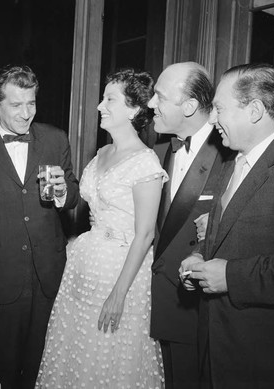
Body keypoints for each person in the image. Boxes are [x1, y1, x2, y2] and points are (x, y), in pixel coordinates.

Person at [36, 68, 166, 388]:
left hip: (122, 272)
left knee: (111, 356)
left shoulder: (146, 162)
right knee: (78, 351)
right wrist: (59, 191)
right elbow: (84, 199)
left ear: (134, 109)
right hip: (85, 264)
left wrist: (118, 294)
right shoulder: (103, 152)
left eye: (110, 99)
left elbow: (146, 233)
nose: (99, 106)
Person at [0, 65, 80, 389]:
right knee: (4, 365)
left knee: (44, 363)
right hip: (1, 274)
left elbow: (73, 192)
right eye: (16, 105)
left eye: (32, 104)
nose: (26, 114)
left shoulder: (55, 138)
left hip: (49, 274)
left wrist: (64, 193)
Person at [180, 63, 274, 389]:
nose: (211, 119)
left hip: (263, 359)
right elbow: (227, 231)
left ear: (254, 110)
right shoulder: (231, 161)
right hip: (215, 348)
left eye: (219, 108)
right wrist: (200, 257)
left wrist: (231, 277)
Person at [147, 62, 233, 389]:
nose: (151, 104)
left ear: (189, 106)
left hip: (202, 311)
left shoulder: (229, 154)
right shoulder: (158, 152)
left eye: (159, 96)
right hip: (167, 303)